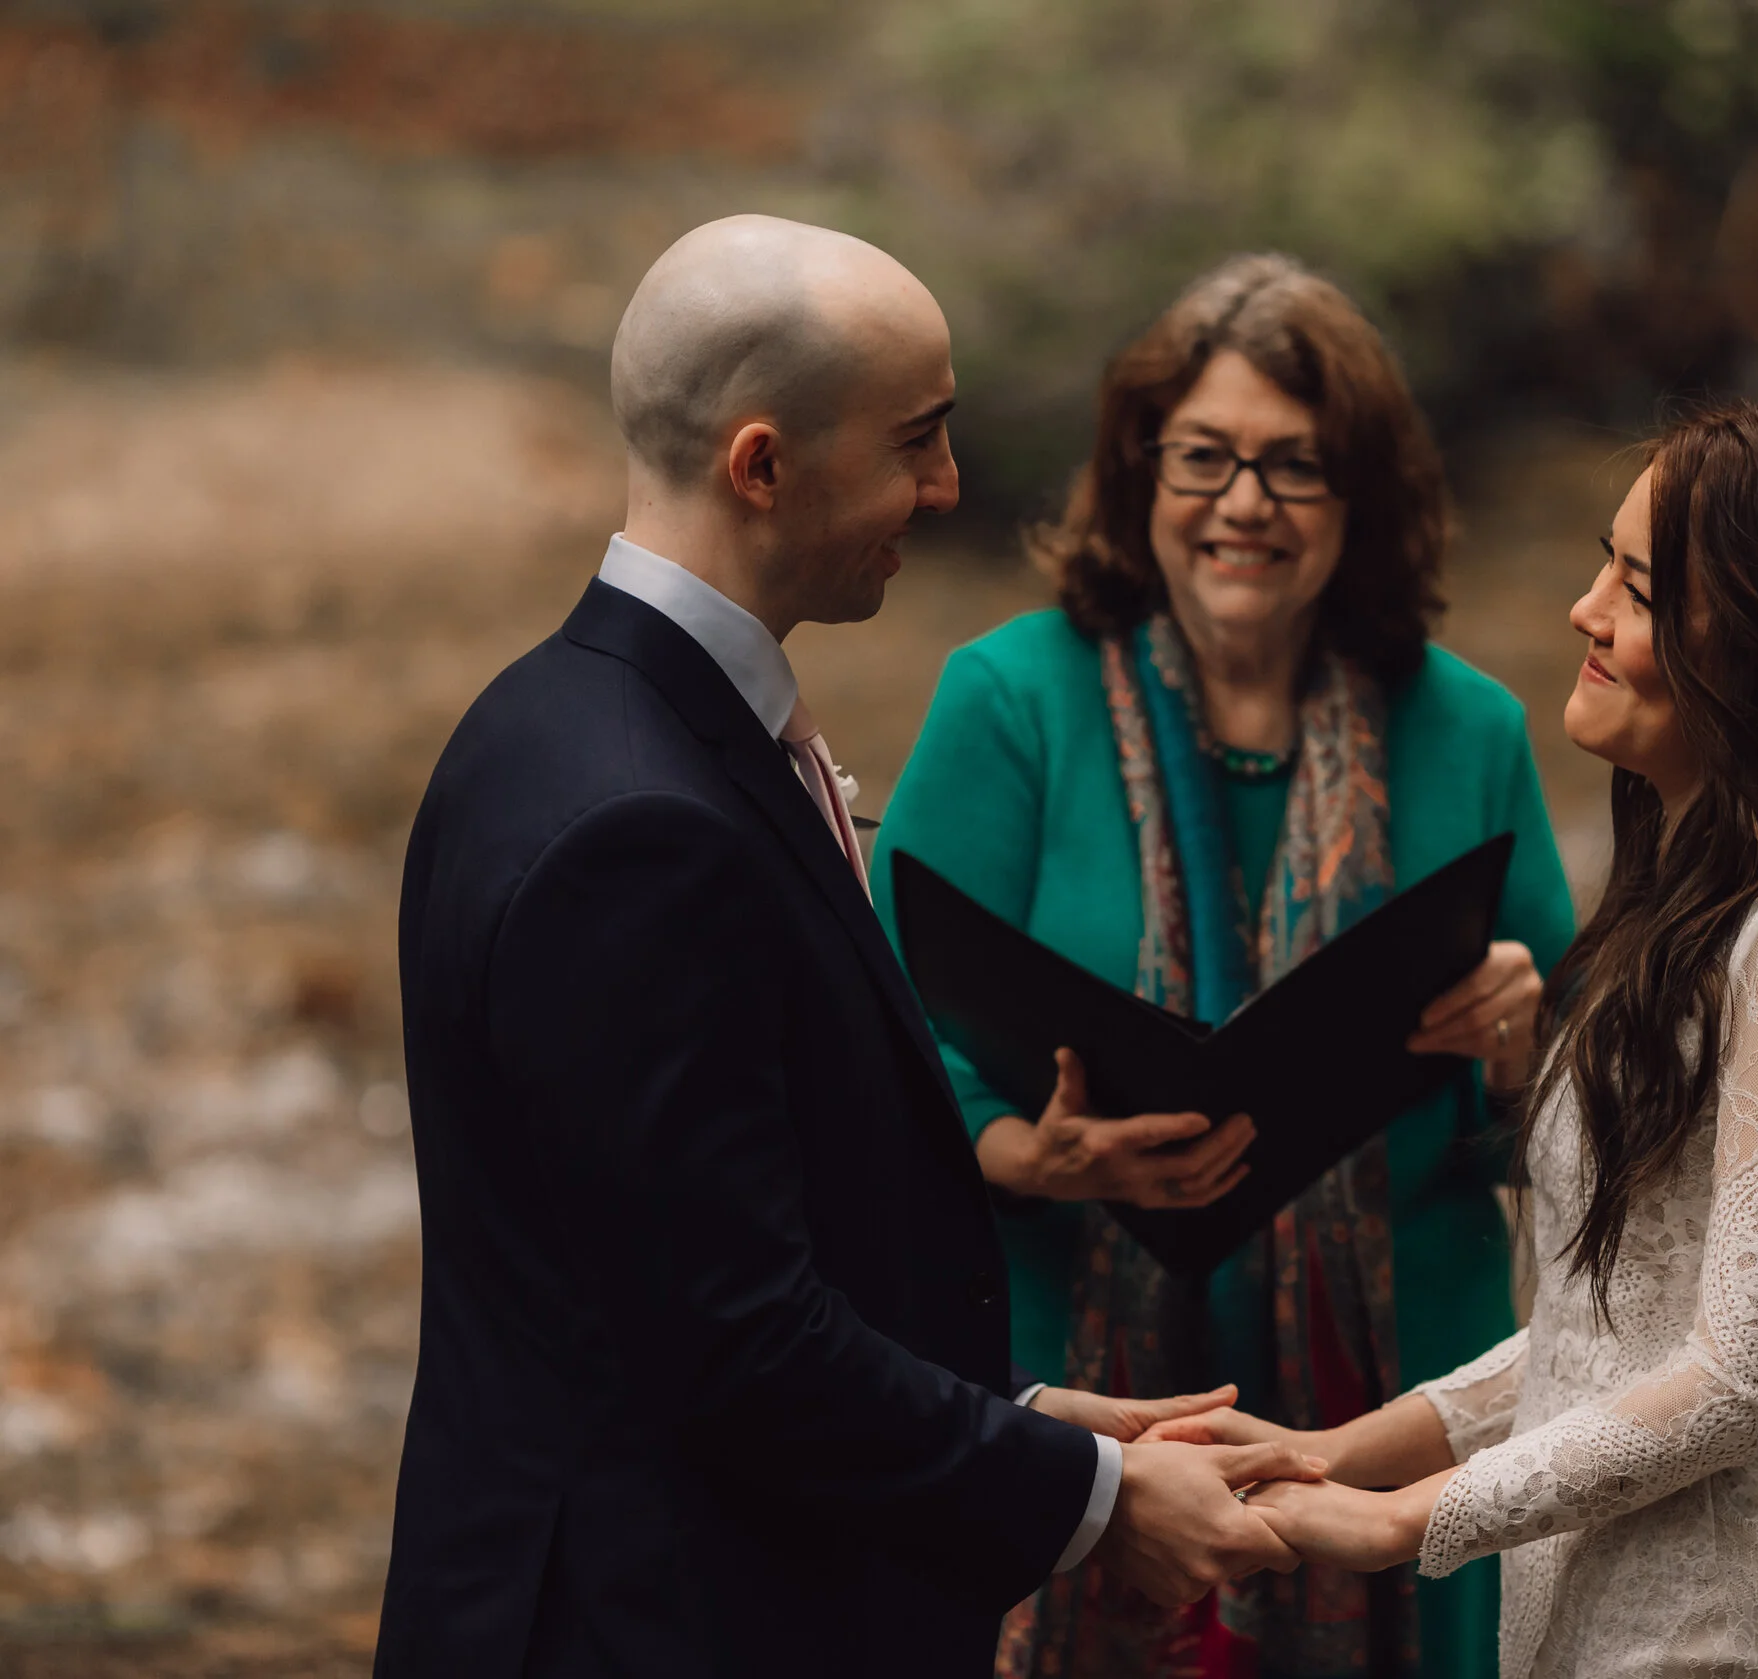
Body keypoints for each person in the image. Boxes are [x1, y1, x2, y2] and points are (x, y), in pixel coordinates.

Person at [375, 215, 1325, 1679]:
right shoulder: (642, 827)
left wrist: (1017, 1413)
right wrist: (1091, 1500)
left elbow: (706, 1248)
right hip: (643, 1620)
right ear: (762, 463)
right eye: (917, 441)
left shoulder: (546, 719)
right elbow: (732, 1343)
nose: (946, 489)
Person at [1152, 400, 1758, 1677]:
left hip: (1707, 1639)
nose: (1584, 610)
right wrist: (1334, 1450)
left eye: (1637, 589)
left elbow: (1745, 1376)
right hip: (1591, 1620)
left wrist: (1399, 1523)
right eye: (1606, 564)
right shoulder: (1706, 898)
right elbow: (1611, 1329)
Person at [869, 254, 1577, 1677]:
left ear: (1360, 495)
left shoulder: (1474, 728)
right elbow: (871, 1041)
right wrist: (1022, 1148)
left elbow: (1594, 1117)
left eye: (1295, 465)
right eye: (1204, 456)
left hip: (1401, 1380)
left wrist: (1524, 1034)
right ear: (1140, 472)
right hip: (1069, 1368)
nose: (1243, 502)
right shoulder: (1010, 701)